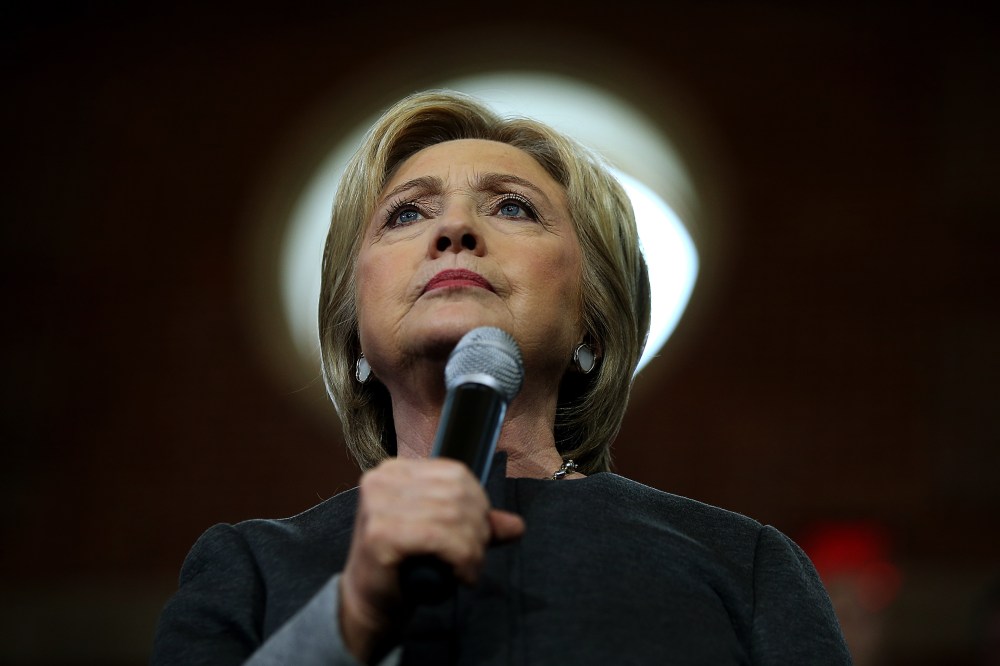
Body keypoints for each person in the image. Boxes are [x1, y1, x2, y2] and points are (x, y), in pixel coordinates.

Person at [151, 90, 851, 665]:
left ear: (593, 324)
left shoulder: (742, 565)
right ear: (352, 333)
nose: (454, 229)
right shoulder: (251, 569)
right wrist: (351, 620)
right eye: (406, 214)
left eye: (512, 207)